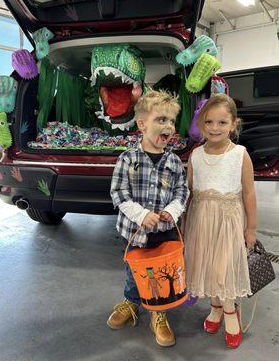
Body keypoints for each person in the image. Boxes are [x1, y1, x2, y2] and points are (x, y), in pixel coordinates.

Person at [107, 89, 189, 347]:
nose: (169, 126)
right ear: (142, 124)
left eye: (171, 121)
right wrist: (141, 215)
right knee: (136, 270)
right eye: (161, 119)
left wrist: (172, 211)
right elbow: (119, 193)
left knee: (160, 272)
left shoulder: (175, 162)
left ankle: (158, 312)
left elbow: (182, 192)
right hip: (134, 230)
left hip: (164, 232)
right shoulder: (128, 158)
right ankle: (131, 302)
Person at [184, 94, 257, 349]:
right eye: (209, 122)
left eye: (222, 123)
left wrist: (251, 228)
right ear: (201, 124)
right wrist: (183, 224)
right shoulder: (195, 155)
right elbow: (190, 191)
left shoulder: (239, 154)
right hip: (201, 221)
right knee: (206, 266)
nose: (215, 128)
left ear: (234, 124)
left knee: (222, 270)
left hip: (228, 222)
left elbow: (248, 193)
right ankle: (215, 308)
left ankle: (229, 313)